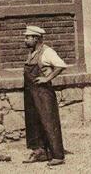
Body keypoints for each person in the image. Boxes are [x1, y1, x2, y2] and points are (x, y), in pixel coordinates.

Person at [21, 25, 67, 166]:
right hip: (30, 92)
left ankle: (57, 155)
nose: (25, 40)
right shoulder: (33, 52)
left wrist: (47, 78)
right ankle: (40, 152)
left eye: (28, 37)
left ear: (36, 38)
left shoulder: (47, 52)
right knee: (33, 122)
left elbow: (61, 65)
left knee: (49, 121)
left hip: (43, 93)